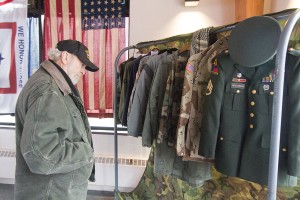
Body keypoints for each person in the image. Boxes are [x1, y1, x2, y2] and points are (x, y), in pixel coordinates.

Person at [14, 40, 99, 200]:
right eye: (82, 64)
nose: (84, 71)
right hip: (50, 194)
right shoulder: (48, 89)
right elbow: (40, 155)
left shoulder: (54, 85)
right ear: (65, 57)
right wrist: (86, 152)